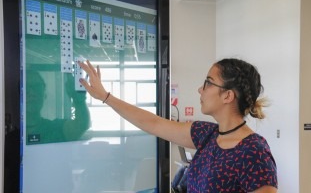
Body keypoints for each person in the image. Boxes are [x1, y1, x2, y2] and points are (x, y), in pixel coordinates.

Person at [78, 58, 278, 193]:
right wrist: (105, 97)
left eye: (208, 83)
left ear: (227, 95)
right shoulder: (206, 134)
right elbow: (153, 123)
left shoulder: (254, 152)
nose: (200, 89)